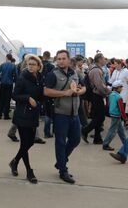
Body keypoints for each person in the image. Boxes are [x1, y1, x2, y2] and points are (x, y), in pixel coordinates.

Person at [44, 50, 85, 184]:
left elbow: (84, 87)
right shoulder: (52, 74)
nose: (61, 61)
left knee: (76, 140)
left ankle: (60, 161)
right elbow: (46, 91)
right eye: (59, 59)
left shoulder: (75, 73)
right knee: (60, 142)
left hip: (74, 113)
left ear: (68, 60)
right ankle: (63, 170)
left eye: (63, 58)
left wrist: (79, 91)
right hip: (60, 113)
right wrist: (64, 93)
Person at [9, 55, 44, 184]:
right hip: (22, 115)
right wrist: (27, 98)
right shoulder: (22, 78)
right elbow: (14, 95)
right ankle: (29, 171)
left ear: (39, 66)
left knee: (30, 142)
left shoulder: (40, 78)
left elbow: (41, 95)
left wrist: (40, 103)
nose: (30, 66)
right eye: (29, 64)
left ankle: (14, 161)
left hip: (33, 114)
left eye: (33, 64)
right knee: (24, 143)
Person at [82, 53, 111, 145]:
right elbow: (99, 86)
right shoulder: (96, 71)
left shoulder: (97, 69)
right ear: (99, 60)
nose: (105, 60)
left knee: (98, 117)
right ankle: (85, 130)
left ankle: (97, 138)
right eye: (103, 59)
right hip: (97, 96)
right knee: (99, 117)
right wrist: (108, 92)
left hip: (97, 95)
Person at [102, 81, 128, 151]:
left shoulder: (111, 95)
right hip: (116, 114)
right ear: (117, 88)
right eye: (121, 87)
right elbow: (121, 109)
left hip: (112, 113)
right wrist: (125, 118)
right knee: (112, 131)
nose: (122, 88)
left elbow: (108, 104)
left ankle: (126, 143)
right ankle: (106, 144)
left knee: (120, 130)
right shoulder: (119, 97)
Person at [0, 54, 18, 120]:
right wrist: (14, 81)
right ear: (11, 58)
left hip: (3, 83)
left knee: (1, 99)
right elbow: (16, 75)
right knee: (7, 99)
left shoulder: (2, 65)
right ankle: (6, 115)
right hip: (9, 84)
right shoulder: (13, 66)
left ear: (6, 58)